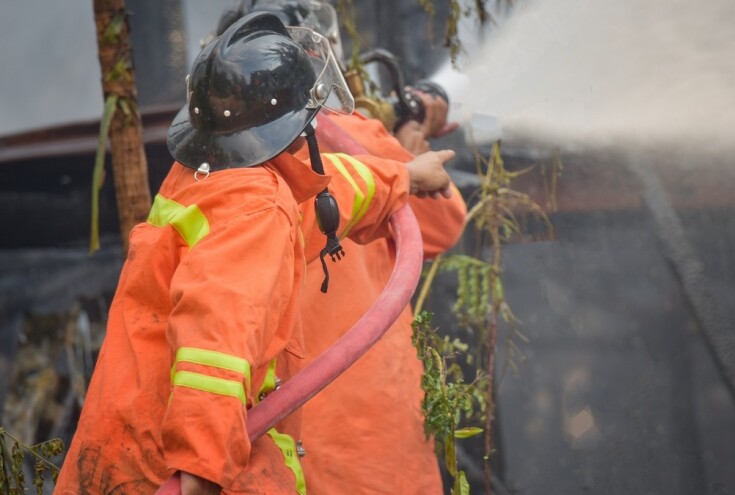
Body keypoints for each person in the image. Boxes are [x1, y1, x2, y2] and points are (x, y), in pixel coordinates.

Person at [55, 12, 452, 495]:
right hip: (183, 466)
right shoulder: (256, 209)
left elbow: (320, 200)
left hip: (132, 444)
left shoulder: (205, 178)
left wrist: (405, 177)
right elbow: (214, 340)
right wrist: (200, 470)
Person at [210, 2, 468, 492]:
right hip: (373, 436)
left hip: (280, 435)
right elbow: (443, 223)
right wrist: (408, 155)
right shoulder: (351, 139)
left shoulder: (210, 168)